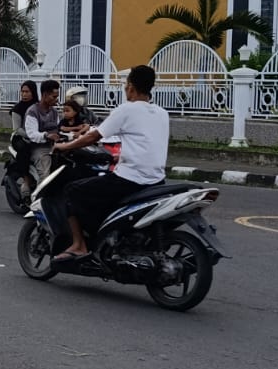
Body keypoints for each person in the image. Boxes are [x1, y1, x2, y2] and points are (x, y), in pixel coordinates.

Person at [51, 65, 170, 262]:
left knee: (72, 191)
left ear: (130, 86)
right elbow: (139, 140)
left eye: (125, 85)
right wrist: (114, 155)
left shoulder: (126, 110)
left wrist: (66, 147)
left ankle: (79, 245)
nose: (125, 89)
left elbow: (93, 137)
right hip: (157, 181)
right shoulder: (161, 113)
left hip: (130, 180)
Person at [23, 79, 63, 188]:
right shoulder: (33, 111)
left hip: (54, 146)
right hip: (39, 148)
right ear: (45, 95)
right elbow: (32, 134)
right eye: (54, 97)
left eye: (57, 97)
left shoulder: (54, 112)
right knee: (45, 176)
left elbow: (59, 128)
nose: (56, 100)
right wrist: (46, 135)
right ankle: (39, 202)